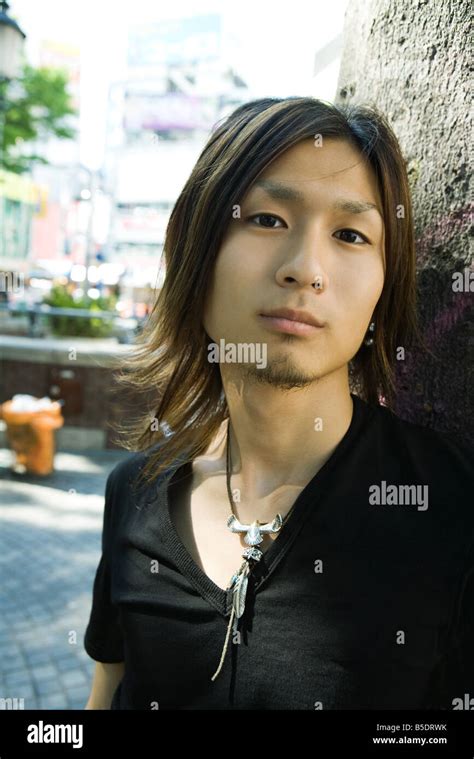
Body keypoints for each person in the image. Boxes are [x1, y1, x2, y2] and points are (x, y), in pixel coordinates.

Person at [83, 97, 473, 710]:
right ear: (195, 253)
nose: (306, 269)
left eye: (350, 234)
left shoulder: (451, 507)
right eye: (266, 220)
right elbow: (107, 689)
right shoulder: (134, 490)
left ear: (382, 287)